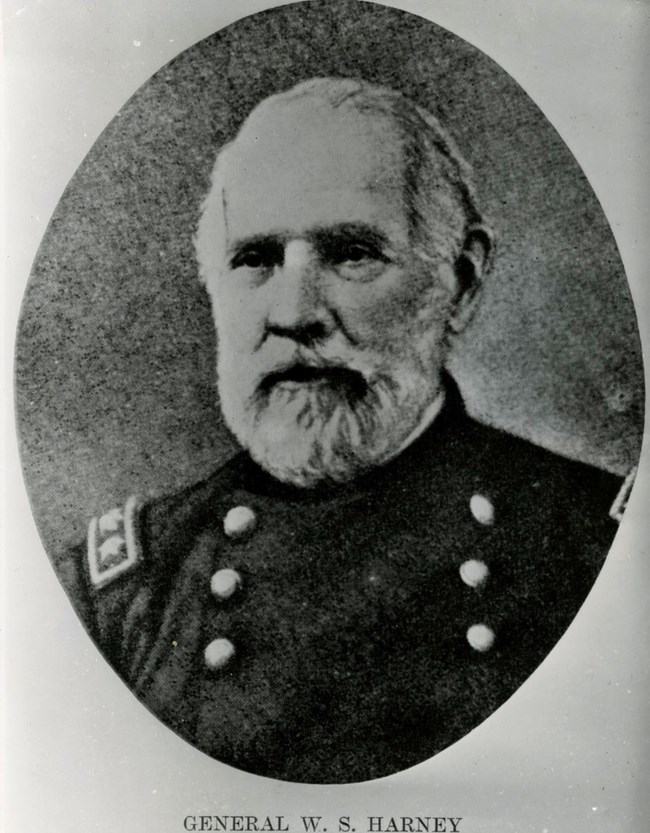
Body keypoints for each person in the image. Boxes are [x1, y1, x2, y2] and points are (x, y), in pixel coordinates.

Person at [60, 78, 632, 783]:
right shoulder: (120, 591)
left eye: (353, 253)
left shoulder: (603, 553)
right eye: (256, 260)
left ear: (462, 279)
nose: (295, 311)